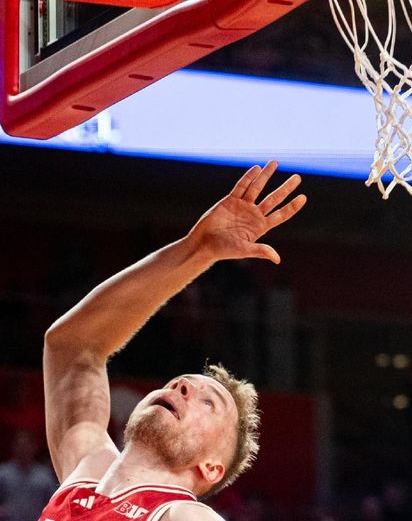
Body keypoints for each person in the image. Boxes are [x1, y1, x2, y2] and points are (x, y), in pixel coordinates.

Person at [38, 162, 306, 521]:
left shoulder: (183, 514)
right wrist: (197, 249)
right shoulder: (84, 475)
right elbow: (73, 347)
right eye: (179, 383)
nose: (181, 387)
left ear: (212, 468)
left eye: (208, 403)